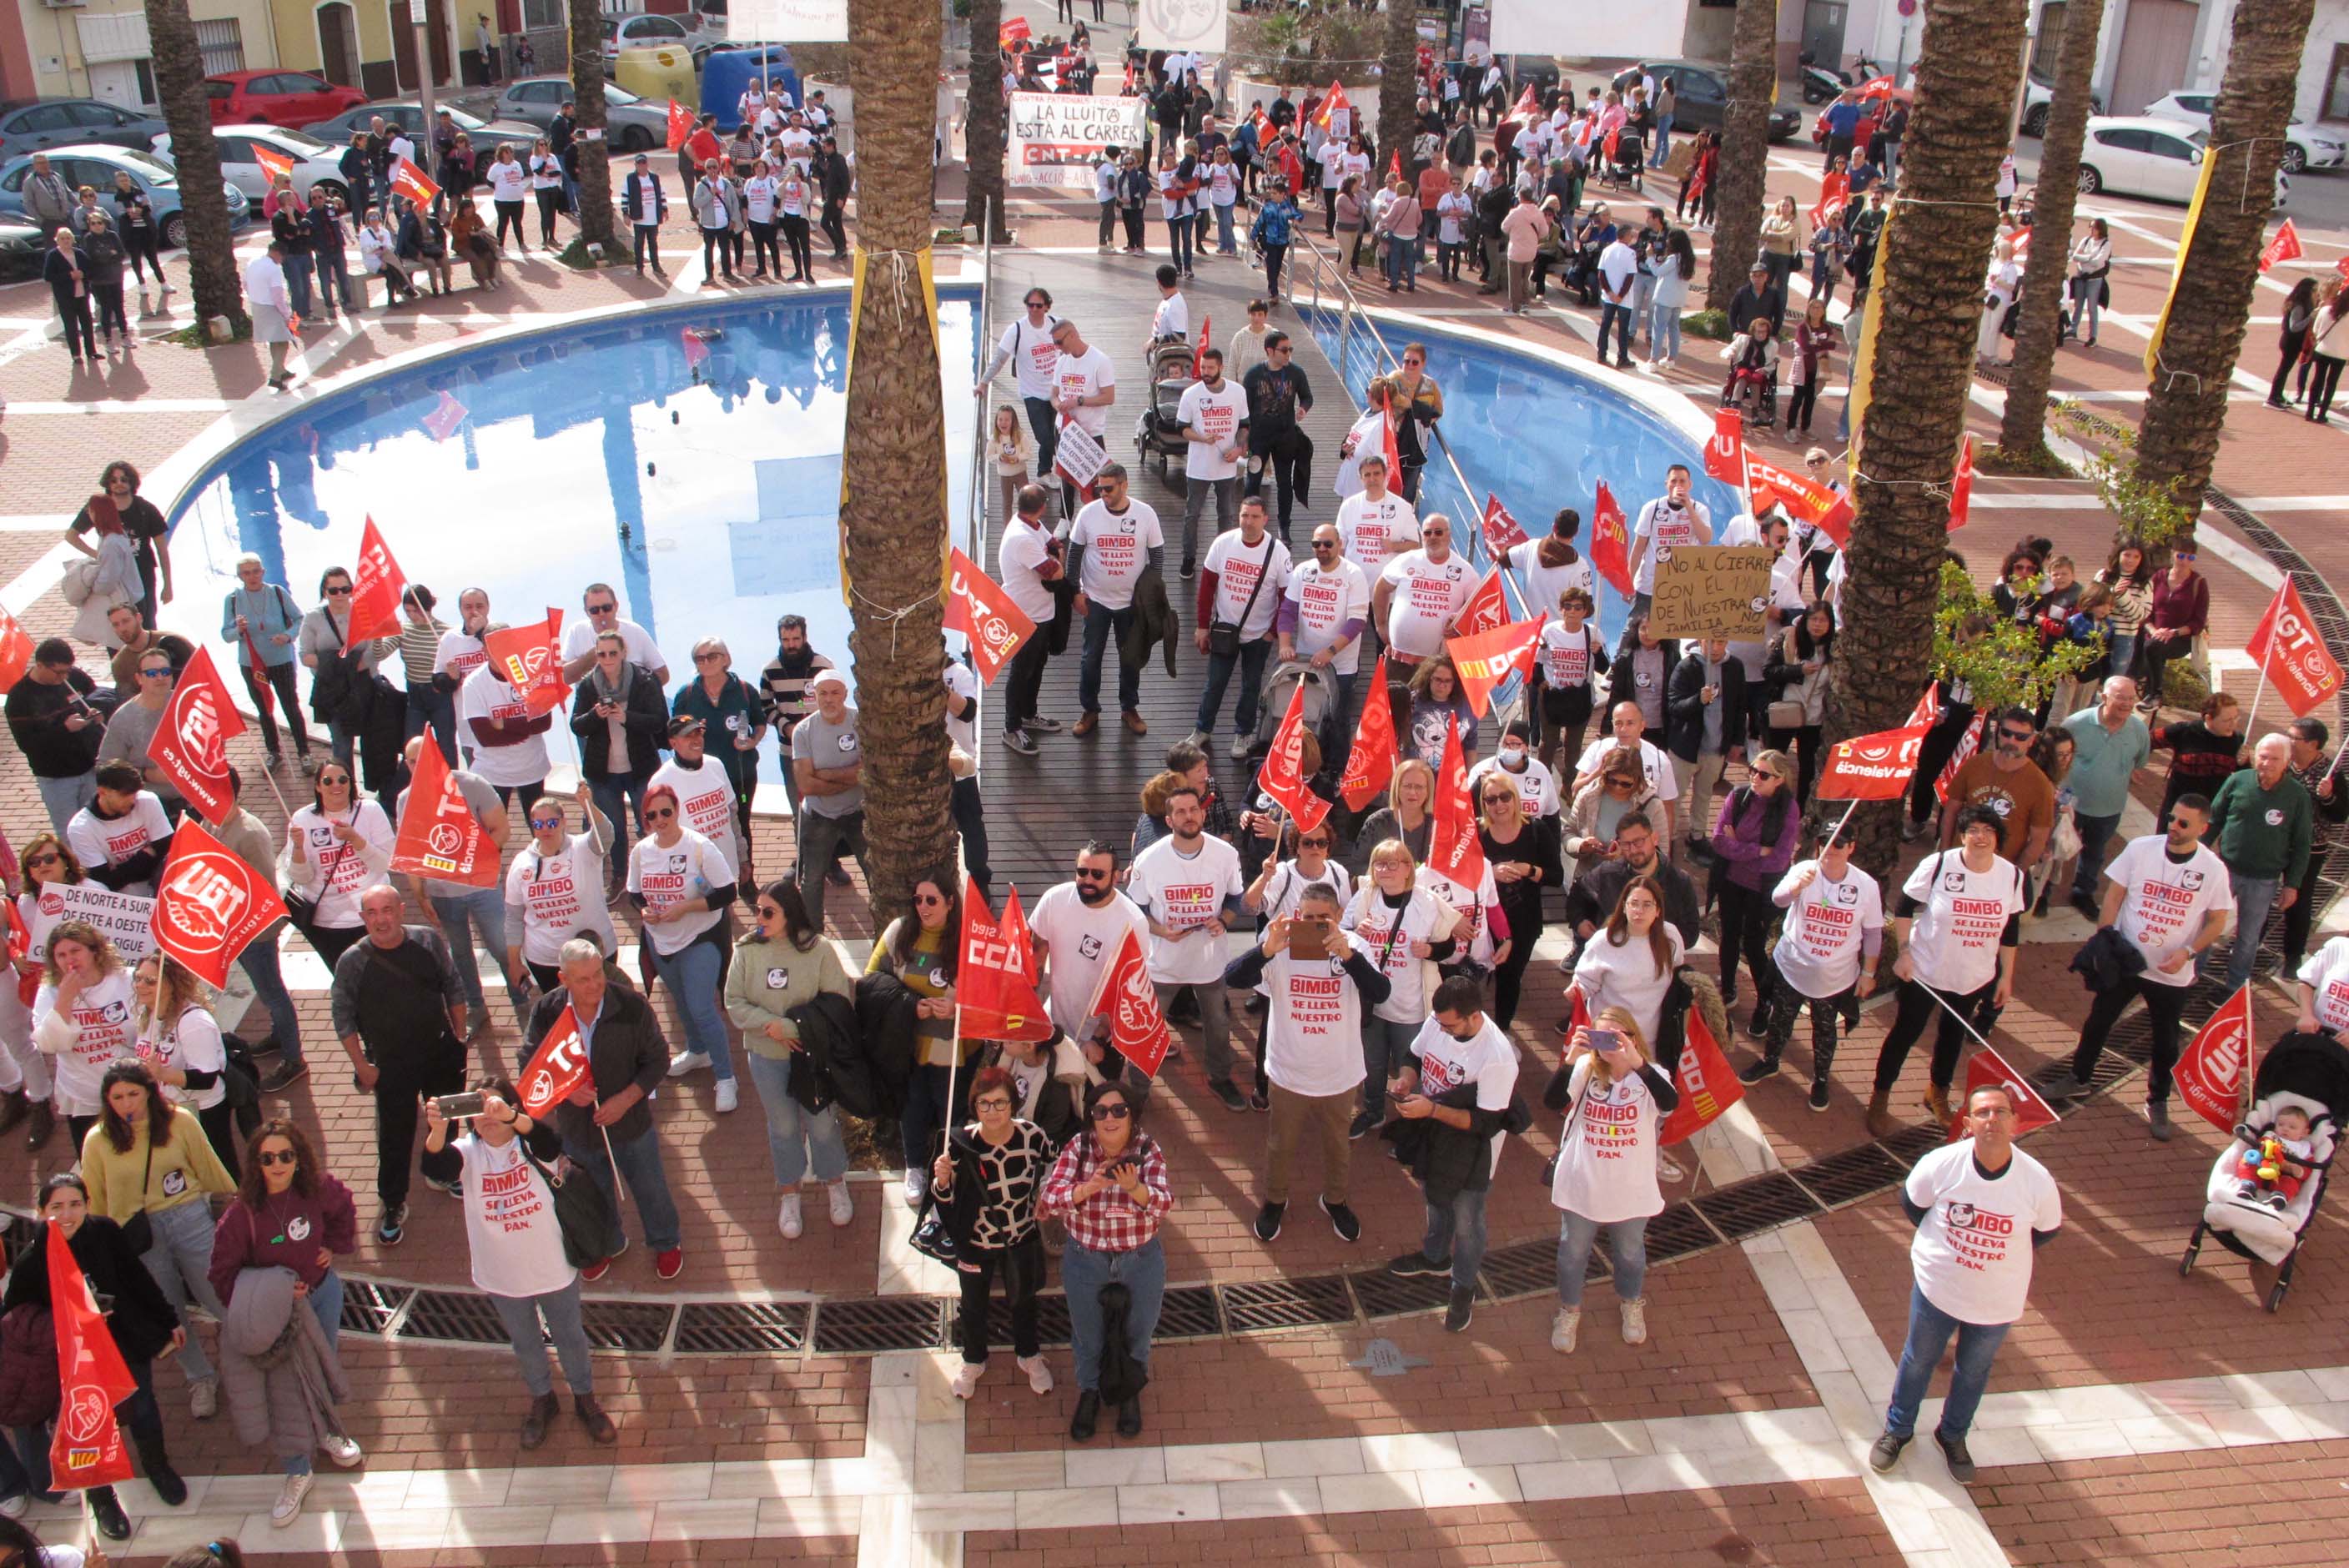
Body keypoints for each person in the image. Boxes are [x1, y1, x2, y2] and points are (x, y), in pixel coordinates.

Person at [1870, 1086, 2061, 1485]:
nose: (1992, 1119)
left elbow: (2044, 1232)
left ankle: (1952, 1434)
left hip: (1996, 1301)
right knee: (1918, 1360)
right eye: (1983, 1113)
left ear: (2016, 1122)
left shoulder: (2038, 1181)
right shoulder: (1939, 1164)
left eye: (2000, 1112)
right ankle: (1898, 1430)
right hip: (1937, 1290)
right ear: (1969, 1123)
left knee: (1973, 1371)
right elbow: (1913, 1206)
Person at [425, 1081, 617, 1446]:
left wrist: (512, 1118)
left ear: (512, 1107)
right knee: (525, 1342)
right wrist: (437, 1130)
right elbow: (435, 1166)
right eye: (477, 1111)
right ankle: (543, 1399)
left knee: (569, 1336)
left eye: (493, 1107)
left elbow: (549, 1141)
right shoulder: (467, 1152)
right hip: (501, 1275)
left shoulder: (530, 1144)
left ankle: (585, 1398)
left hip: (552, 1266)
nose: (487, 1118)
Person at [3, 1173, 189, 1540]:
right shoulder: (32, 1260)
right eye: (56, 1207)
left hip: (124, 1340)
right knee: (90, 1427)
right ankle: (103, 1500)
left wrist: (169, 1319)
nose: (67, 1214)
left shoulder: (104, 1232)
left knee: (144, 1407)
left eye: (75, 1204)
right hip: (74, 1361)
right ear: (41, 1212)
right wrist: (66, 1320)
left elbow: (137, 1277)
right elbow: (16, 1318)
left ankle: (157, 1467)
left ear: (88, 1205)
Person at [2059, 796, 2236, 1140]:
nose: (2174, 826)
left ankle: (2158, 1100)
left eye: (2184, 823)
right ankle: (2078, 1078)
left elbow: (2218, 921)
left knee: (2166, 1041)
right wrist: (2107, 936)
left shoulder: (2213, 869)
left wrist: (2189, 952)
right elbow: (2113, 895)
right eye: (2172, 818)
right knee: (2098, 1021)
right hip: (2127, 962)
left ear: (2203, 828)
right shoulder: (2141, 849)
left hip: (2171, 974)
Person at [1224, 884, 1392, 1246]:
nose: (1315, 925)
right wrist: (1266, 950)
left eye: (1323, 919)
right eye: (1307, 917)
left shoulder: (1353, 947)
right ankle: (1274, 1200)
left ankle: (1335, 1200)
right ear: (1296, 916)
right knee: (1280, 1145)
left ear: (1337, 917)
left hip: (1339, 1073)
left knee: (1338, 1145)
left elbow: (1380, 992)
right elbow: (1233, 978)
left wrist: (1349, 957)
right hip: (1289, 1071)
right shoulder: (1280, 946)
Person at [80, 1059, 234, 1420]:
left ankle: (252, 1357)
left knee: (220, 1292)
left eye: (134, 1093)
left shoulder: (180, 1121)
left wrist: (238, 1211)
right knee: (168, 1310)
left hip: (188, 1217)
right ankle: (200, 1378)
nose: (126, 1103)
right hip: (137, 1234)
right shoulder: (98, 1140)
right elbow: (97, 1202)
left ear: (150, 1092)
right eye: (117, 1097)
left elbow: (210, 1170)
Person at [523, 939, 686, 1281]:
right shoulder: (547, 1011)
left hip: (631, 1125)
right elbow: (529, 1060)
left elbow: (658, 1059)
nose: (595, 984)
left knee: (650, 1187)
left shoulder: (631, 1006)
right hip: (578, 1129)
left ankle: (666, 1242)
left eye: (598, 974)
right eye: (583, 979)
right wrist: (566, 1092)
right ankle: (608, 1243)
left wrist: (626, 1100)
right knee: (591, 1194)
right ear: (563, 979)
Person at [1867, 806, 2025, 1137]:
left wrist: (2006, 977)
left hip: (1973, 977)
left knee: (1952, 1038)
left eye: (1989, 831)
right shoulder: (1939, 865)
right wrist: (1905, 953)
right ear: (1962, 836)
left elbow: (2010, 930)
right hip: (1925, 972)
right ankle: (1880, 1096)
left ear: (1998, 837)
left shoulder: (2012, 876)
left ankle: (1937, 1093)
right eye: (1973, 831)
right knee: (1905, 1034)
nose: (1981, 837)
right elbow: (1904, 907)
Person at [1379, 976, 1520, 1333]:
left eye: (1449, 1025)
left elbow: (1485, 1124)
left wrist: (1432, 1111)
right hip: (1436, 1136)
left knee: (1469, 1221)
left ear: (1474, 1017)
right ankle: (1435, 1256)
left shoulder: (1498, 1058)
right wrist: (1408, 1079)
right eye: (1439, 1023)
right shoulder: (1440, 1020)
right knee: (1434, 1198)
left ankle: (1463, 1288)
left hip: (1473, 1152)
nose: (1442, 1029)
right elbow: (1414, 1054)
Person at [330, 886, 468, 1246]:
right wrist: (362, 1065)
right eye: (372, 913)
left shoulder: (427, 942)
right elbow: (342, 1017)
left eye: (387, 910)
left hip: (439, 1052)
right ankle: (393, 1202)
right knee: (395, 1136)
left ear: (401, 910)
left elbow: (452, 985)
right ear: (363, 919)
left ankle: (441, 1171)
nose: (381, 920)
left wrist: (460, 1034)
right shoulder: (352, 962)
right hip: (390, 1065)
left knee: (447, 1117)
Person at [1041, 1078, 1171, 1440]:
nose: (1110, 1118)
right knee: (1088, 1335)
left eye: (1119, 1110)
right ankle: (1091, 1391)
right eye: (1101, 1111)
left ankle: (1129, 1393)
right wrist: (1090, 1187)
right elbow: (1051, 1199)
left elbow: (1164, 1203)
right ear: (1092, 1118)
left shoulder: (1147, 1150)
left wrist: (1135, 1188)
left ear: (1132, 1116)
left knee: (1138, 1334)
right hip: (1086, 1257)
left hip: (1139, 1257)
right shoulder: (1078, 1148)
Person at [1543, 1006, 1677, 1353]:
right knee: (1573, 1253)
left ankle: (1631, 1302)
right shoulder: (1587, 1070)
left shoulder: (1652, 1075)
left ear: (1634, 1037)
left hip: (1631, 1188)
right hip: (1583, 1183)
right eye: (1602, 1038)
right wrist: (1572, 1057)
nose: (1611, 1046)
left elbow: (1669, 1103)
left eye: (1619, 1037)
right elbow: (1552, 1101)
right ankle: (1569, 1310)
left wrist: (1638, 1064)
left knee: (1631, 1253)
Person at [726, 881, 856, 1237]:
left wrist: (795, 1028)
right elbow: (734, 1002)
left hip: (812, 1058)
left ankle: (834, 1183)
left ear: (790, 913)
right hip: (767, 1058)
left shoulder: (818, 950)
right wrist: (771, 1026)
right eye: (758, 911)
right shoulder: (747, 950)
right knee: (782, 1127)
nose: (760, 918)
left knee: (822, 1123)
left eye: (769, 912)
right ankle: (790, 1191)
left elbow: (837, 1002)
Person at [932, 1064, 1059, 1400]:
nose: (993, 1111)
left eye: (1000, 1103)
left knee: (1024, 1301)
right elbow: (944, 1202)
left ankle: (1029, 1355)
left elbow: (1055, 1164)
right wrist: (942, 1180)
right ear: (975, 1107)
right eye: (984, 1104)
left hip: (1022, 1238)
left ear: (1013, 1105)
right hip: (976, 1243)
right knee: (973, 1305)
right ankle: (974, 1359)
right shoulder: (959, 1144)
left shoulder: (1032, 1136)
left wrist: (1045, 1192)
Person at [1738, 822, 1884, 1110]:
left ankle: (1820, 1079)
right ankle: (1770, 1061)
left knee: (1825, 1028)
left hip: (1835, 978)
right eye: (1825, 843)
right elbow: (1778, 900)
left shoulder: (1866, 886)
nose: (1830, 850)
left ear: (1852, 848)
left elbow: (1873, 932)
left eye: (1839, 844)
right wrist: (1796, 887)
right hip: (1792, 967)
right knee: (1781, 1018)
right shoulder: (1804, 870)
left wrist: (1868, 973)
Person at [395, 736, 527, 1037]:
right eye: (412, 761)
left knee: (500, 945)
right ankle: (476, 1007)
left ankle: (521, 999)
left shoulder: (472, 784)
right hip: (442, 894)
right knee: (460, 953)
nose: (419, 765)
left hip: (482, 886)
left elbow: (502, 829)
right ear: (407, 764)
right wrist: (419, 895)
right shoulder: (406, 800)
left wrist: (472, 864)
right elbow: (412, 851)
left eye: (423, 758)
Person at [1127, 785, 1248, 1110]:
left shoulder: (1225, 855)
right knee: (1146, 1029)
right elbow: (1134, 908)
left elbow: (1237, 897)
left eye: (1193, 809)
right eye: (1180, 811)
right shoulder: (1150, 860)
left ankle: (1220, 1079)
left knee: (1219, 1026)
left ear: (1203, 813)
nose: (1189, 816)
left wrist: (1223, 920)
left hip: (1209, 962)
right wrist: (1161, 931)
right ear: (1169, 820)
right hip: (1163, 963)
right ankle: (1137, 1093)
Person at [626, 781, 738, 1113]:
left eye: (666, 811)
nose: (660, 819)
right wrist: (643, 910)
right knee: (681, 1002)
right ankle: (697, 1050)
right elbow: (635, 892)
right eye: (652, 815)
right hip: (660, 941)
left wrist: (685, 908)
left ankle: (726, 1078)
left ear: (677, 810)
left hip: (699, 937)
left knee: (702, 1006)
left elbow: (727, 892)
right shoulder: (641, 852)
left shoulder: (698, 846)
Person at [867, 877, 975, 1206]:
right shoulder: (900, 932)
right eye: (918, 900)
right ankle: (915, 1166)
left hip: (954, 1050)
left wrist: (959, 1007)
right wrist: (912, 1005)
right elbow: (872, 980)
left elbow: (992, 991)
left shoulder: (968, 939)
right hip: (908, 1045)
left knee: (950, 1110)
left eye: (932, 900)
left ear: (950, 903)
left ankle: (950, 1170)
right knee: (911, 1108)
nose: (923, 908)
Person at [209, 1118, 357, 1354]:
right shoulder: (241, 1215)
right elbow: (222, 1272)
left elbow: (343, 1209)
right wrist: (271, 1293)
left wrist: (330, 1245)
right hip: (275, 1311)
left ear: (299, 1158)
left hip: (322, 1293)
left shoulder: (318, 1188)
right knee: (288, 1373)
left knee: (325, 1359)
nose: (278, 1164)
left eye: (286, 1156)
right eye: (267, 1158)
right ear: (257, 1164)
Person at [2205, 733, 2314, 992]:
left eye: (2275, 759)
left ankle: (2233, 990)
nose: (2267, 763)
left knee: (2248, 937)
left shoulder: (2297, 796)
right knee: (2205, 924)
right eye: (2263, 757)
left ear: (2286, 762)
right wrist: (2198, 852)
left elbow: (2301, 844)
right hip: (2225, 869)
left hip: (2263, 878)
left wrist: (2292, 884)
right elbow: (2214, 818)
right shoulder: (2237, 781)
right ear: (2255, 756)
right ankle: (2191, 974)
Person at [1066, 462, 1164, 739]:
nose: (1103, 494)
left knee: (1131, 659)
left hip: (1131, 604)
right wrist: (1075, 591)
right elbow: (1074, 556)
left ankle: (1129, 707)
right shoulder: (1088, 514)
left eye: (1108, 488)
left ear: (1124, 485)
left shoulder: (1146, 514)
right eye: (1100, 488)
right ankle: (1090, 710)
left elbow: (1156, 557)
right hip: (1096, 600)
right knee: (1090, 659)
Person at [572, 631, 666, 884]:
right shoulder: (588, 685)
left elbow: (659, 722)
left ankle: (652, 875)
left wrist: (627, 718)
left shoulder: (644, 681)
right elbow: (577, 726)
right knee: (614, 831)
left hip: (641, 768)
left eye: (613, 653)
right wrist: (595, 715)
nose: (608, 658)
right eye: (602, 654)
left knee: (649, 823)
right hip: (604, 773)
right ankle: (620, 878)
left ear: (623, 652)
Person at [282, 760, 394, 971]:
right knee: (347, 982)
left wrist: (355, 839)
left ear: (351, 783)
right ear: (317, 787)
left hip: (372, 916)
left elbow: (384, 864)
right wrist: (298, 848)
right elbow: (301, 878)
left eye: (343, 779)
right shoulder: (302, 819)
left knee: (385, 976)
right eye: (328, 781)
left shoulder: (370, 811)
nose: (336, 785)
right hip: (328, 923)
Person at [670, 638, 767, 882]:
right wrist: (691, 732)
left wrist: (752, 741)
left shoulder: (744, 690)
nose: (706, 662)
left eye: (712, 656)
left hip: (740, 773)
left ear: (725, 658)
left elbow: (760, 722)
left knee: (741, 825)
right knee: (703, 827)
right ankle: (710, 879)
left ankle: (746, 878)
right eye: (699, 658)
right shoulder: (688, 694)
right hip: (701, 777)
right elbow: (674, 731)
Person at [2058, 678, 2151, 916]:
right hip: (2070, 803)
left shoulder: (2139, 730)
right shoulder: (2076, 723)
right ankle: (2043, 893)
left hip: (2109, 807)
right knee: (2055, 848)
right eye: (2121, 697)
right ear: (2104, 697)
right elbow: (2055, 755)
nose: (2127, 703)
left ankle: (2083, 892)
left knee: (2095, 853)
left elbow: (2139, 762)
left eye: (2131, 698)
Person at [1478, 777, 1562, 1029]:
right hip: (1484, 921)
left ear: (1515, 798)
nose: (1499, 805)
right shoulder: (1477, 832)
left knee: (1510, 978)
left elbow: (1556, 876)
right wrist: (1490, 872)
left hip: (1523, 921)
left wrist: (1529, 870)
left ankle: (1503, 1029)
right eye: (1491, 799)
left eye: (1505, 797)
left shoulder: (1536, 830)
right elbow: (1463, 873)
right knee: (1478, 976)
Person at [298, 565, 396, 771]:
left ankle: (381, 790)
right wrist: (343, 663)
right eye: (333, 590)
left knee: (375, 741)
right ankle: (346, 788)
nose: (340, 595)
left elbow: (372, 653)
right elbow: (305, 656)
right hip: (333, 690)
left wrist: (335, 663)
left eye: (345, 589)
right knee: (342, 744)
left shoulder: (365, 612)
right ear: (325, 591)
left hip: (364, 685)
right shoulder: (314, 617)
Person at [792, 671, 869, 931]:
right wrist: (852, 777)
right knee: (812, 880)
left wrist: (828, 776)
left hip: (858, 813)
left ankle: (885, 935)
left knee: (876, 873)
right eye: (822, 693)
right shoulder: (803, 732)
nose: (829, 699)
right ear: (814, 696)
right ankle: (813, 939)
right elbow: (806, 785)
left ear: (845, 694)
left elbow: (869, 771)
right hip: (819, 817)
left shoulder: (861, 722)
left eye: (835, 692)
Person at [219, 556, 311, 771]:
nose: (252, 577)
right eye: (246, 573)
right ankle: (273, 752)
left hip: (281, 659)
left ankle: (304, 753)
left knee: (290, 706)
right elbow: (226, 634)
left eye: (255, 571)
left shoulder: (277, 592)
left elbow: (299, 619)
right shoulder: (232, 599)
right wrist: (239, 630)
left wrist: (288, 636)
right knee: (264, 709)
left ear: (263, 571)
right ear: (240, 576)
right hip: (252, 663)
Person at [1937, 706, 2055, 874]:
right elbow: (1951, 810)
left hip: (2000, 871)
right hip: (1960, 862)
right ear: (1998, 733)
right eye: (2006, 733)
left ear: (2031, 740)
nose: (2011, 741)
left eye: (2020, 737)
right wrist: (1945, 854)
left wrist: (2014, 876)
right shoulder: (1975, 764)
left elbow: (2038, 840)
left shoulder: (2040, 784)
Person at [7, 641, 105, 834]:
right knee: (71, 831)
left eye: (67, 671)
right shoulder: (20, 698)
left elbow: (99, 696)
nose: (64, 677)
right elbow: (27, 744)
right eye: (58, 672)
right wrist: (64, 729)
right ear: (40, 665)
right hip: (56, 778)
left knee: (101, 824)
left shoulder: (74, 677)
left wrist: (99, 710)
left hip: (90, 767)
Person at [1174, 348, 1249, 577]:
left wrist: (1239, 449)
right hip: (1198, 467)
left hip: (1226, 466)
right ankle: (1189, 557)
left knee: (1226, 513)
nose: (1205, 372)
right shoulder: (1191, 394)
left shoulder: (1237, 392)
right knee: (1192, 514)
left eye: (1210, 368)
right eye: (1202, 367)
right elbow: (1181, 428)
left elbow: (1244, 425)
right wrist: (1201, 438)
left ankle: (1224, 556)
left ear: (1221, 367)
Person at [1240, 333, 1313, 542]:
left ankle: (1284, 525)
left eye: (1290, 349)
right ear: (1270, 351)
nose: (1288, 354)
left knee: (1284, 482)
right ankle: (1249, 522)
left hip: (1285, 437)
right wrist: (1243, 439)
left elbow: (1307, 396)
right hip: (1259, 437)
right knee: (1253, 480)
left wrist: (1303, 409)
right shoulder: (1254, 375)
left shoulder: (1296, 373)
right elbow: (1244, 409)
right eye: (1284, 350)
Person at [64, 761, 172, 896]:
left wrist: (120, 872)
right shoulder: (80, 828)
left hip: (163, 887)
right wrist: (144, 857)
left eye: (135, 793)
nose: (133, 800)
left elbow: (168, 851)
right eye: (125, 794)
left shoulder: (147, 801)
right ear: (102, 792)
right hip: (121, 902)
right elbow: (103, 882)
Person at [1047, 317, 1117, 520]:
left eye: (1060, 342)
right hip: (1066, 430)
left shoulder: (1100, 361)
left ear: (1073, 335)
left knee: (1097, 480)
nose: (1058, 348)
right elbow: (1053, 394)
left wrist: (1079, 401)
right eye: (1054, 344)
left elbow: (1109, 397)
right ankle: (1065, 518)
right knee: (1065, 478)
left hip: (1090, 431)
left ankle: (1099, 518)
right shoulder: (1062, 361)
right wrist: (1057, 405)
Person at [1626, 465, 1711, 622]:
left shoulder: (1700, 510)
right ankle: (1624, 649)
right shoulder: (1651, 508)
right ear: (1667, 484)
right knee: (1631, 636)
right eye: (1673, 481)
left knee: (1671, 639)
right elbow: (1638, 549)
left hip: (1680, 589)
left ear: (1689, 485)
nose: (1678, 485)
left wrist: (1689, 509)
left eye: (1682, 481)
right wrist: (1628, 582)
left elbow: (1706, 539)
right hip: (1648, 586)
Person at [2154, 691, 2247, 827]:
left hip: (2207, 816)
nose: (2233, 725)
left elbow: (2244, 779)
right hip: (2177, 809)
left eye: (2236, 718)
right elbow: (2147, 741)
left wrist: (2244, 764)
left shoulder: (2237, 741)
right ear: (2209, 718)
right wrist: (2135, 764)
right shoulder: (2185, 731)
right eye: (2227, 720)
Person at [2138, 547, 2207, 711]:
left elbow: (2198, 622)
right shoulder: (2159, 577)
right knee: (2144, 648)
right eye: (2181, 556)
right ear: (2172, 555)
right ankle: (2142, 694)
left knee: (2153, 647)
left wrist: (2173, 632)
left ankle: (2155, 694)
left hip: (2179, 638)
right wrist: (2153, 630)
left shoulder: (2198, 583)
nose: (2184, 561)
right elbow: (2146, 609)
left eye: (2190, 557)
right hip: (2153, 634)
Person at [243, 239, 297, 390]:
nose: (281, 261)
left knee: (275, 340)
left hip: (257, 305)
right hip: (271, 308)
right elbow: (278, 296)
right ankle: (275, 376)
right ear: (277, 254)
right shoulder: (273, 269)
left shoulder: (253, 262)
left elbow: (245, 284)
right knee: (283, 341)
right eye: (282, 258)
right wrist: (287, 315)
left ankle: (281, 370)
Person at [41, 226, 96, 367]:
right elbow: (48, 276)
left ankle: (91, 352)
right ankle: (76, 354)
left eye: (68, 238)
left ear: (72, 239)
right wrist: (68, 276)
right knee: (71, 326)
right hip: (66, 297)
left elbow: (90, 269)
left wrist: (83, 274)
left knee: (87, 324)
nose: (66, 241)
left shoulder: (79, 253)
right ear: (57, 240)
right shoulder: (53, 255)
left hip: (82, 294)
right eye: (62, 239)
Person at [621, 153, 669, 277]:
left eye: (643, 164)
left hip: (653, 217)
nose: (641, 166)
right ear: (635, 165)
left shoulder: (654, 178)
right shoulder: (630, 179)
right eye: (639, 164)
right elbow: (625, 196)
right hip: (639, 218)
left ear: (647, 164)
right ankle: (639, 268)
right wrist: (625, 214)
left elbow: (661, 194)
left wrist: (664, 209)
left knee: (653, 243)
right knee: (639, 244)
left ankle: (656, 266)